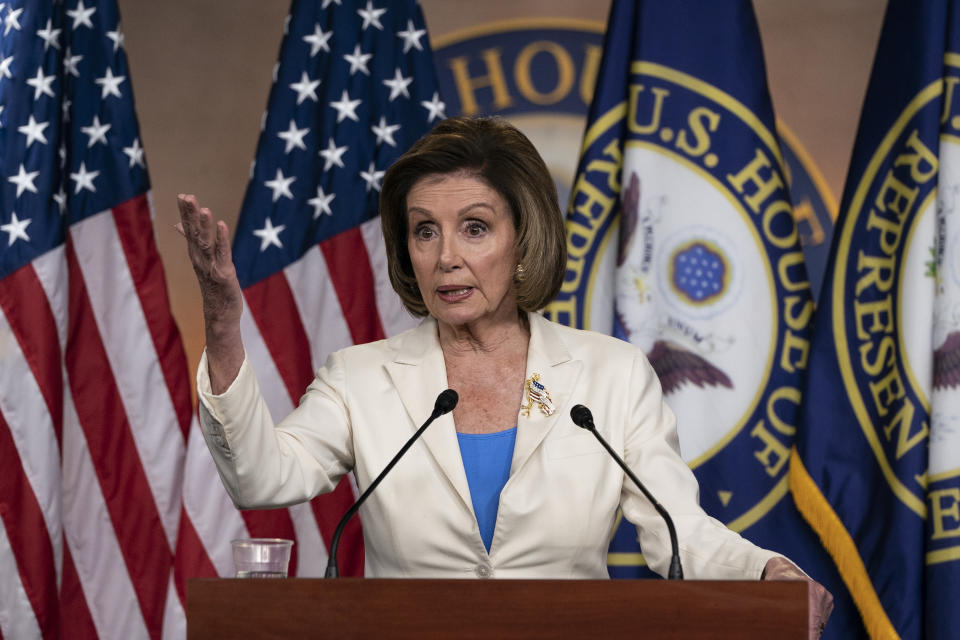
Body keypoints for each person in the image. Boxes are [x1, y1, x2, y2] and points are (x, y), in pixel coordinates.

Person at [177, 116, 832, 637]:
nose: (447, 258)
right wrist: (226, 325)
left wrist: (764, 570)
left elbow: (677, 533)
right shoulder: (360, 377)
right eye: (425, 232)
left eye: (475, 228)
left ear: (524, 238)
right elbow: (260, 478)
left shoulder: (611, 376)